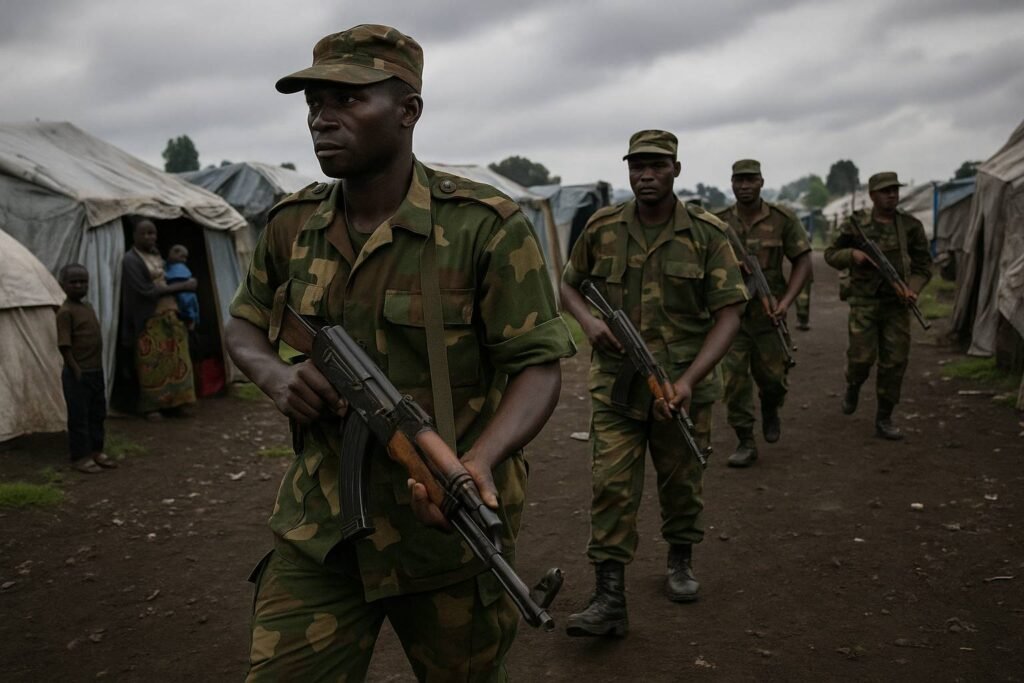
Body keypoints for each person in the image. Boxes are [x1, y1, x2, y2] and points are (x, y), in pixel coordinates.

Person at [224, 24, 575, 681]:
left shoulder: (484, 227)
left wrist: (480, 460)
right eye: (314, 103)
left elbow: (539, 364)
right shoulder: (292, 225)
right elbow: (243, 326)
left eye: (348, 100)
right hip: (322, 530)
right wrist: (277, 377)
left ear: (408, 110)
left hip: (443, 527)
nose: (322, 118)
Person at [559, 130, 748, 637]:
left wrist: (688, 381)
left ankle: (680, 559)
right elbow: (568, 283)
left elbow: (730, 315)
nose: (646, 175)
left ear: (676, 171)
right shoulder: (600, 228)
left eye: (657, 166)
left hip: (682, 390)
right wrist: (588, 322)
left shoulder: (707, 234)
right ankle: (609, 597)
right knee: (611, 487)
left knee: (681, 484)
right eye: (637, 165)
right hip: (616, 388)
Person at [713, 159, 812, 468]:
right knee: (735, 383)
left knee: (773, 381)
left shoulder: (783, 219)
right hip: (731, 320)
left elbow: (803, 262)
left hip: (770, 317)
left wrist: (786, 302)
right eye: (738, 180)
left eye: (750, 179)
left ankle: (771, 408)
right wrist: (730, 267)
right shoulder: (717, 224)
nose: (744, 185)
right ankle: (745, 439)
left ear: (761, 182)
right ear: (731, 183)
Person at [824, 172, 931, 440]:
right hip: (864, 302)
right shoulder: (856, 225)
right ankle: (853, 385)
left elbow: (923, 265)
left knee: (894, 362)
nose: (891, 195)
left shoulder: (909, 226)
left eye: (894, 190)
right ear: (872, 196)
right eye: (885, 191)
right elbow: (830, 254)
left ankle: (884, 417)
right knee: (861, 359)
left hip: (896, 305)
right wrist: (853, 255)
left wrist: (912, 290)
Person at [119, 219, 198, 419]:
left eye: (152, 233)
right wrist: (184, 286)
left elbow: (165, 279)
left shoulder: (155, 254)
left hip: (170, 314)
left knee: (176, 359)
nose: (149, 237)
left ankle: (178, 402)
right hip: (149, 318)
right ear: (134, 235)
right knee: (152, 362)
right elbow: (146, 291)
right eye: (144, 233)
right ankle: (151, 406)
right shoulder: (131, 260)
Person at [56, 264, 116, 473]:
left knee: (97, 413)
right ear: (62, 285)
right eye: (73, 282)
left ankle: (96, 450)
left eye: (83, 282)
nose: (79, 285)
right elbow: (64, 345)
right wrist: (76, 369)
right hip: (78, 373)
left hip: (95, 371)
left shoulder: (87, 307)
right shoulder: (65, 312)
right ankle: (80, 456)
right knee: (79, 416)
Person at [165, 244, 200, 330]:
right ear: (173, 253)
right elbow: (186, 298)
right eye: (182, 257)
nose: (184, 260)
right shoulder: (176, 268)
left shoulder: (178, 268)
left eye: (185, 258)